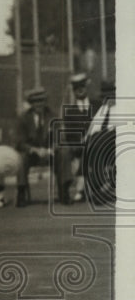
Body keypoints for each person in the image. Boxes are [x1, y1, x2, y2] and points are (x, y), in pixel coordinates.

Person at [54, 73, 99, 204]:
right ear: (73, 91)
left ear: (86, 87)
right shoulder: (68, 111)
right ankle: (72, 189)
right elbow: (67, 135)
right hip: (77, 147)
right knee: (66, 152)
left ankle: (82, 188)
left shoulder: (97, 106)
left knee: (92, 146)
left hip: (95, 145)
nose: (79, 90)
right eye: (76, 88)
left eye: (82, 87)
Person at [14, 87, 55, 207]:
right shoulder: (23, 118)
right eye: (35, 101)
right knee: (21, 157)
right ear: (31, 103)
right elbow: (19, 142)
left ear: (45, 102)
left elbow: (59, 137)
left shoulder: (53, 116)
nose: (38, 104)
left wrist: (50, 150)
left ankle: (64, 190)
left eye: (41, 101)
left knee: (64, 152)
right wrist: (34, 150)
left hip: (50, 153)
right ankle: (21, 192)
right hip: (31, 154)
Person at [83, 80, 116, 208]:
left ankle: (102, 189)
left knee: (99, 142)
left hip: (116, 143)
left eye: (112, 96)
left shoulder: (123, 108)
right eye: (106, 97)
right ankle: (99, 188)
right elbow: (93, 129)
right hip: (103, 144)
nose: (109, 100)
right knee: (92, 145)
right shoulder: (103, 110)